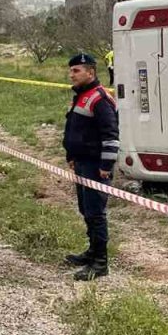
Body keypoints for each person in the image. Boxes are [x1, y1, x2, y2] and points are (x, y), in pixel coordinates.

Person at [62, 52, 120, 281]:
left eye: (76, 70)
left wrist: (106, 165)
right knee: (85, 210)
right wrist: (71, 155)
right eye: (71, 70)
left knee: (96, 213)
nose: (71, 74)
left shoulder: (100, 98)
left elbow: (111, 135)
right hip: (81, 163)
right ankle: (91, 252)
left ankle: (100, 263)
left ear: (91, 72)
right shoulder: (81, 95)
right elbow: (75, 130)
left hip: (96, 166)